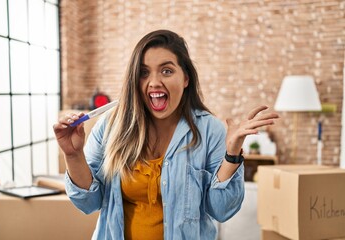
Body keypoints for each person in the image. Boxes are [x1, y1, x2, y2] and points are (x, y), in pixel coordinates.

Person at [53, 29, 279, 240]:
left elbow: (222, 210)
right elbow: (88, 203)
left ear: (186, 78)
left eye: (167, 71)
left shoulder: (211, 130)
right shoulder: (110, 127)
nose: (154, 82)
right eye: (143, 73)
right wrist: (73, 155)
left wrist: (232, 155)